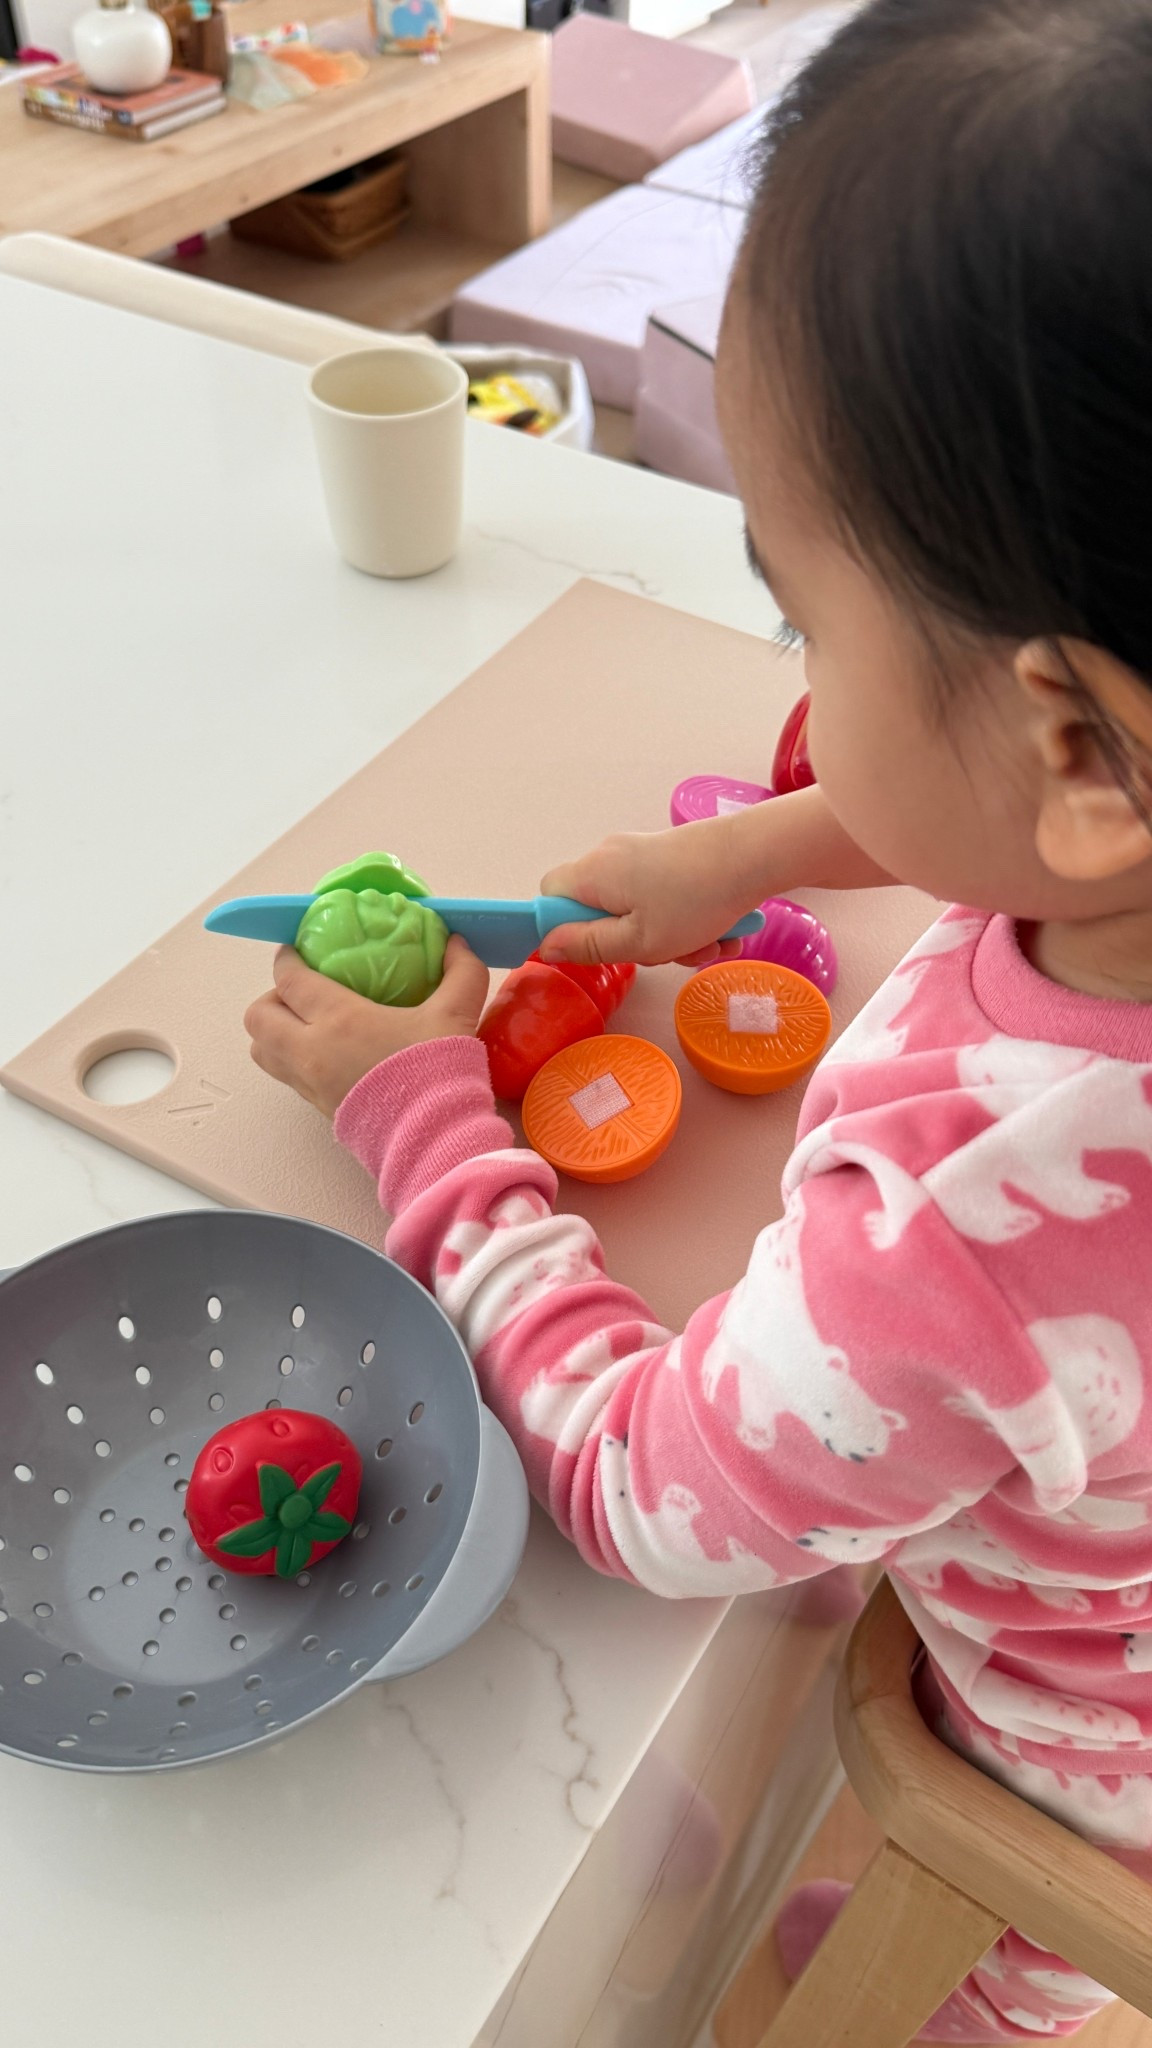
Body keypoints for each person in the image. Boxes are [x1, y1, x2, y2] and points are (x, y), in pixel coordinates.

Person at [243, 0, 1152, 2034]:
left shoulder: (961, 1220)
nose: (794, 662)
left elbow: (660, 1492)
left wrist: (419, 1109)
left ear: (1079, 748)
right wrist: (766, 855)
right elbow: (1023, 831)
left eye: (802, 615)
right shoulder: (1118, 838)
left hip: (1069, 1820)